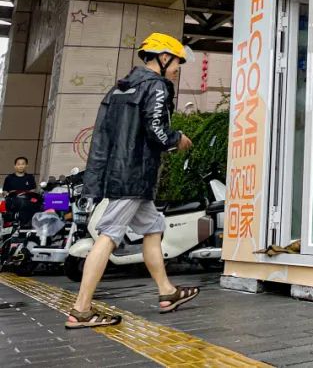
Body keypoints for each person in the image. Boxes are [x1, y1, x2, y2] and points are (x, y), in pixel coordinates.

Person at [66, 33, 199, 329]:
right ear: (163, 58)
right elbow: (156, 130)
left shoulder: (120, 89)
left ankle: (167, 292)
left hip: (119, 172)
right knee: (108, 236)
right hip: (134, 175)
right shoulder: (156, 86)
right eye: (176, 63)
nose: (177, 69)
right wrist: (178, 138)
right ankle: (81, 310)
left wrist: (97, 177)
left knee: (153, 228)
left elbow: (102, 135)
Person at [3, 156, 38, 227]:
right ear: (15, 166)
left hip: (27, 202)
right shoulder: (9, 178)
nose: (21, 166)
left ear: (26, 165)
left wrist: (27, 194)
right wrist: (8, 193)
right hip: (12, 202)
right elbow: (5, 191)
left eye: (23, 164)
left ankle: (27, 225)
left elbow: (33, 190)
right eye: (18, 164)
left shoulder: (30, 177)